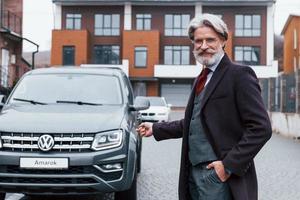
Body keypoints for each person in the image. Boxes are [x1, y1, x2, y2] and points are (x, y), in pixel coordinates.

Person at [136, 13, 272, 200]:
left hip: (221, 179)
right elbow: (196, 122)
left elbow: (261, 128)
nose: (204, 46)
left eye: (210, 40)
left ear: (223, 40)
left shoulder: (239, 75)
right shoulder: (201, 78)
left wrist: (228, 166)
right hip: (192, 174)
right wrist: (156, 128)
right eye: (198, 41)